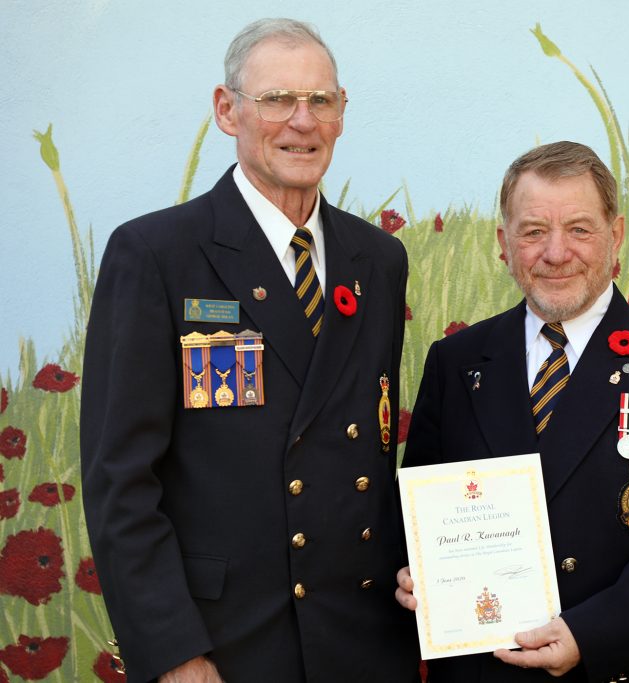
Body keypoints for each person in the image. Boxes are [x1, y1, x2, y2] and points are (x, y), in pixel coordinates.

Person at [81, 18, 418, 682]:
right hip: (230, 645)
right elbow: (120, 480)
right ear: (226, 110)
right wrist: (175, 650)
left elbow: (372, 453)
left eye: (320, 101)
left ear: (342, 114)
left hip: (364, 640)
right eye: (276, 100)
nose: (301, 121)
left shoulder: (376, 259)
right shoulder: (158, 254)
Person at [395, 141, 629, 682]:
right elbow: (422, 509)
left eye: (580, 229)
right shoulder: (458, 362)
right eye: (534, 231)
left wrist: (592, 633)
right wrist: (416, 569)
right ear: (504, 244)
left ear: (616, 236)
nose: (556, 252)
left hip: (622, 668)